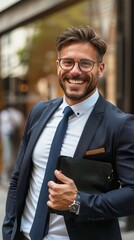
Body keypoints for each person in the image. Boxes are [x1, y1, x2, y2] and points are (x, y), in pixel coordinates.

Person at [2, 25, 134, 240]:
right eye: (68, 62)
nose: (75, 71)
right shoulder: (39, 112)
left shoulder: (120, 125)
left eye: (85, 63)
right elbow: (19, 178)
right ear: (58, 66)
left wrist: (78, 202)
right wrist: (8, 232)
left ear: (100, 69)